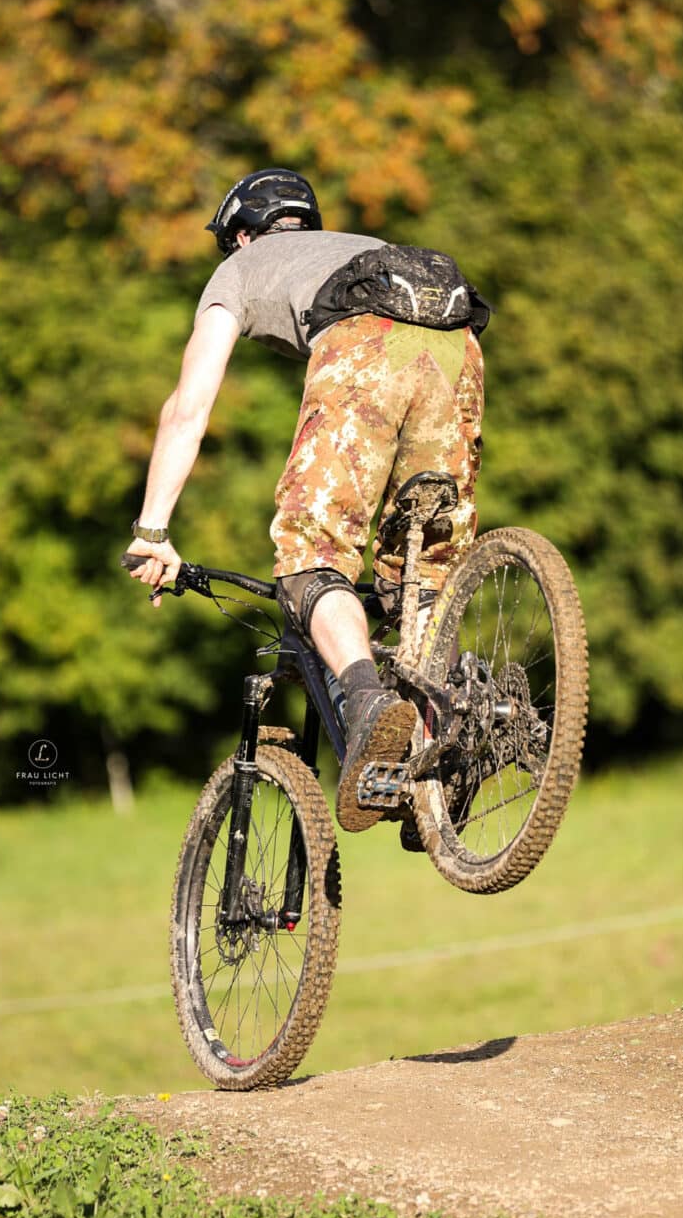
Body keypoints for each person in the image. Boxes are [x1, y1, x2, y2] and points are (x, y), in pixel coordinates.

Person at [125, 168, 486, 833]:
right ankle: (446, 744)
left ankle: (366, 700)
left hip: (363, 341)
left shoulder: (239, 270)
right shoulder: (355, 248)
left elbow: (187, 409)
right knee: (424, 570)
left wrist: (153, 529)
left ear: (241, 233)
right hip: (457, 343)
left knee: (311, 559)